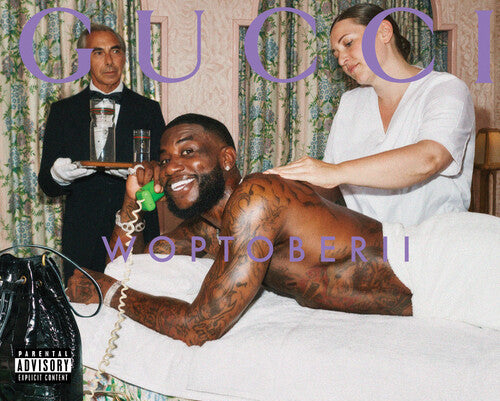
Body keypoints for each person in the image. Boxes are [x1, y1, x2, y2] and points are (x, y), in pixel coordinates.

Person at [66, 114, 499, 345]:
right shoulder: (210, 231)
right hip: (433, 295)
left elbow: (201, 326)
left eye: (188, 151)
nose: (172, 166)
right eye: (164, 159)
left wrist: (109, 292)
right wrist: (132, 201)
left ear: (227, 159)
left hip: (451, 263)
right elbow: (130, 265)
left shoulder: (257, 198)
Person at [265, 4, 475, 226]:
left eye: (348, 43)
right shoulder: (350, 103)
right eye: (336, 53)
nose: (341, 60)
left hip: (436, 239)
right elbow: (330, 186)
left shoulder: (445, 88)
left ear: (384, 32)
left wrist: (335, 172)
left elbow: (429, 158)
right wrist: (283, 186)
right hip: (370, 242)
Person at [38, 24, 165, 280]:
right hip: (82, 238)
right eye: (98, 52)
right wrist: (59, 175)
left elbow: (164, 174)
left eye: (115, 51)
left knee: (137, 298)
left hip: (137, 230)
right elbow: (47, 186)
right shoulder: (63, 112)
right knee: (83, 302)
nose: (109, 61)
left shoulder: (148, 109)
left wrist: (148, 178)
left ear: (124, 57)